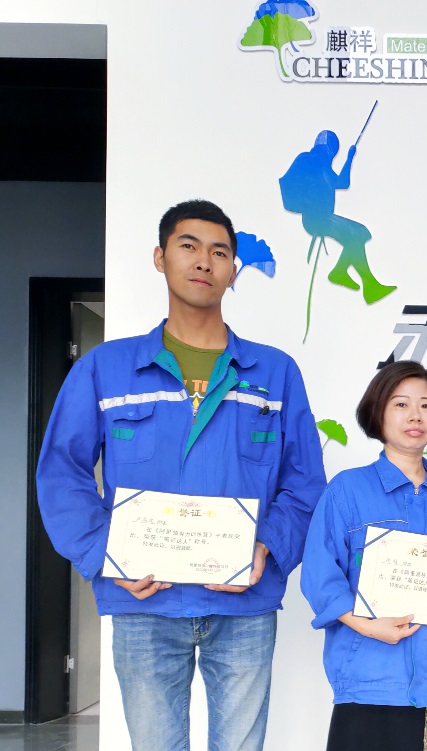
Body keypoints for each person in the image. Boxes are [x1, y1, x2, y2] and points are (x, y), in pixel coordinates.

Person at [35, 199, 327, 751]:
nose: (203, 261)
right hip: (145, 600)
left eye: (219, 252)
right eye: (188, 246)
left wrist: (267, 546)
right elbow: (61, 472)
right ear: (160, 257)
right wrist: (106, 554)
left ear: (234, 270)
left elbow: (305, 481)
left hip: (242, 601)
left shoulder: (275, 373)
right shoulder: (106, 368)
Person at [301, 361, 427, 750]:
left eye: (426, 405)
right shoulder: (347, 490)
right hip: (368, 678)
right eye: (401, 404)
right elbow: (319, 575)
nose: (415, 415)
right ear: (378, 413)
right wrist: (366, 626)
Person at [279, 129, 395, 304]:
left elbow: (342, 182)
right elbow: (292, 182)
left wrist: (349, 158)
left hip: (322, 218)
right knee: (358, 233)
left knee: (357, 235)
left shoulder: (322, 167)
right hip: (315, 218)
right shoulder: (309, 160)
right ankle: (346, 275)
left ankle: (366, 284)